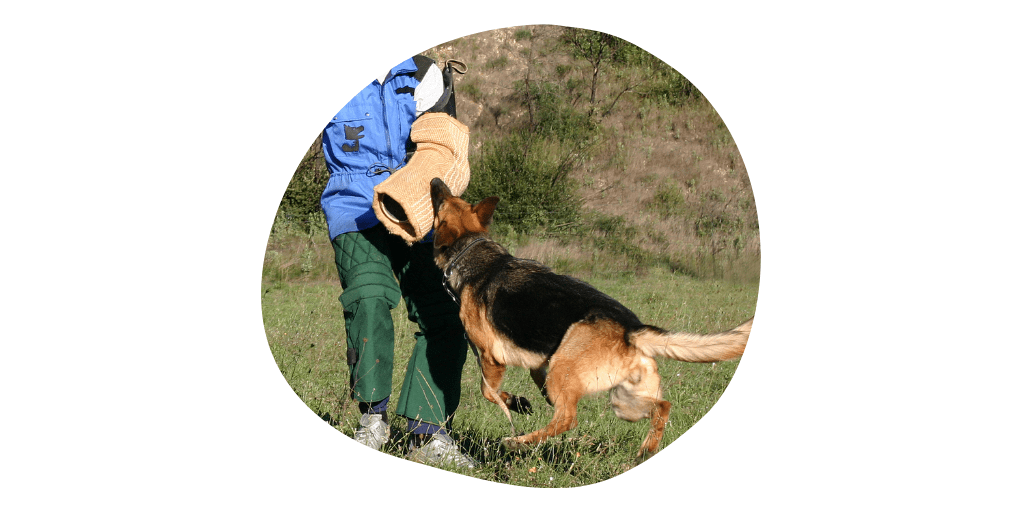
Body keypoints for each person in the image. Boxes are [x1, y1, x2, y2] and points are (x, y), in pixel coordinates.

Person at [320, 55, 475, 467]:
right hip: (352, 204)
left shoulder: (425, 72)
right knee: (369, 296)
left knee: (444, 312)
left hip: (415, 201)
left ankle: (428, 433)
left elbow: (444, 149)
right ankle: (373, 420)